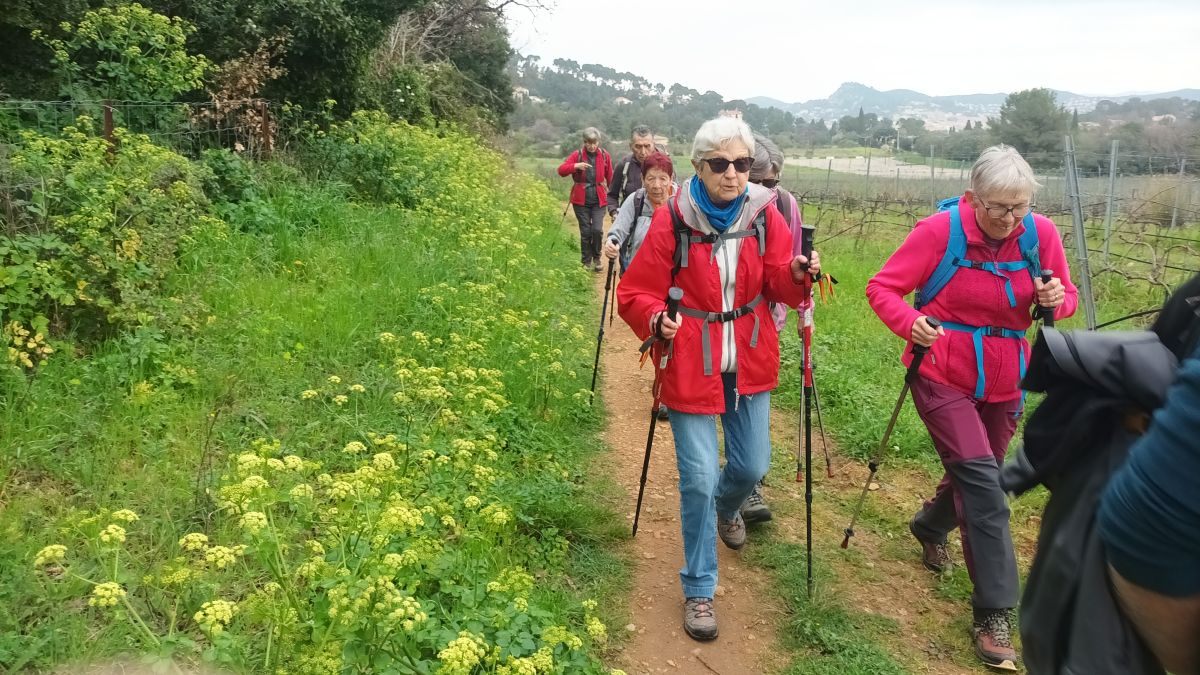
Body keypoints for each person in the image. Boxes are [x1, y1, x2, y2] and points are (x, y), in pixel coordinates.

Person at [866, 144, 1078, 670]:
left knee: (980, 473)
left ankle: (930, 525)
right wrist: (910, 323)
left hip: (1007, 377)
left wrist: (1056, 300)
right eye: (998, 207)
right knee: (985, 485)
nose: (1009, 219)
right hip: (941, 370)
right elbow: (883, 288)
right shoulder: (939, 232)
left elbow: (1066, 295)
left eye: (1020, 207)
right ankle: (994, 612)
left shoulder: (1040, 234)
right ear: (972, 198)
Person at [617, 116, 819, 641]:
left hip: (749, 356)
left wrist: (797, 274)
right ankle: (700, 586)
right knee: (700, 478)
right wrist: (655, 319)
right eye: (720, 163)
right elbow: (635, 292)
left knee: (752, 465)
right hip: (690, 359)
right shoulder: (673, 219)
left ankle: (727, 509)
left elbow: (778, 283)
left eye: (742, 163)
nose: (732, 173)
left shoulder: (764, 214)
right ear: (698, 166)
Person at [1098, 345, 1200, 675]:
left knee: (984, 479)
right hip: (957, 369)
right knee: (981, 481)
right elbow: (1148, 518)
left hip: (1004, 377)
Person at [739, 133, 806, 525]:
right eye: (760, 182)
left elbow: (795, 260)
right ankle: (731, 480)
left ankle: (748, 484)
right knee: (722, 402)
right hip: (719, 323)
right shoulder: (720, 202)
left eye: (773, 182)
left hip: (766, 322)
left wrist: (803, 305)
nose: (768, 190)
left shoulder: (784, 204)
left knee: (751, 399)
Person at [602, 150, 676, 274]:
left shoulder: (681, 203)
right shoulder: (636, 200)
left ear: (671, 178)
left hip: (673, 276)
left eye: (663, 179)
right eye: (650, 179)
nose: (656, 185)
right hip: (639, 272)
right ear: (642, 179)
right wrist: (612, 242)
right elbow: (618, 230)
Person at [558, 127, 614, 272]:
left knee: (597, 230)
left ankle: (597, 257)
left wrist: (613, 196)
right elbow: (561, 170)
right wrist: (575, 166)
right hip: (580, 200)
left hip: (599, 199)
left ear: (598, 142)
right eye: (589, 143)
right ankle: (586, 261)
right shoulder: (577, 155)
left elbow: (610, 177)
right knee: (586, 231)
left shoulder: (604, 155)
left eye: (594, 142)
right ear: (584, 142)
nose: (592, 146)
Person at [607, 124, 658, 219]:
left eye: (647, 146)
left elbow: (675, 196)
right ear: (631, 146)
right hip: (629, 221)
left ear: (654, 145)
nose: (643, 152)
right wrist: (614, 212)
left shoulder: (664, 166)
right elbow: (612, 196)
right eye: (638, 146)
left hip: (657, 220)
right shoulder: (624, 165)